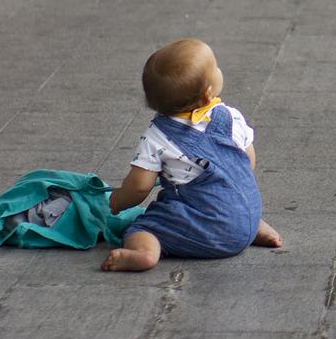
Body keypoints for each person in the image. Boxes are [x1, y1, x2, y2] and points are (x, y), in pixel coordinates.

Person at [101, 38, 282, 270]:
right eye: (216, 67)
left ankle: (143, 253)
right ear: (208, 94)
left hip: (210, 231)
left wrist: (115, 202)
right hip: (246, 211)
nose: (219, 69)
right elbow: (247, 163)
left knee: (143, 226)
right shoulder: (230, 117)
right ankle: (253, 226)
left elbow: (139, 186)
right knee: (233, 201)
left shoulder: (157, 137)